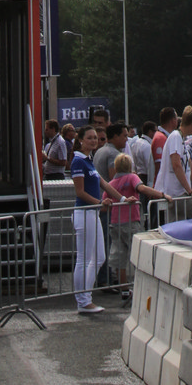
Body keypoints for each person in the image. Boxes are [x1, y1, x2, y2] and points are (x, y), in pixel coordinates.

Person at [70, 124, 123, 313]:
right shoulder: (78, 161)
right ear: (80, 140)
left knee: (99, 257)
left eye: (96, 138)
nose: (94, 141)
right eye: (90, 138)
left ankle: (86, 297)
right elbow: (80, 192)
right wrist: (100, 203)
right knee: (84, 259)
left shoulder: (88, 160)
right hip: (84, 213)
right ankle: (83, 301)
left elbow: (104, 184)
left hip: (92, 213)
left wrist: (123, 199)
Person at [106, 152, 172, 295]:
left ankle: (124, 289)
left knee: (120, 258)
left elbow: (106, 204)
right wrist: (161, 195)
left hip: (115, 223)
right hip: (131, 221)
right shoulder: (132, 177)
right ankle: (140, 287)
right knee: (138, 254)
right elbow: (142, 189)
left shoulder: (111, 183)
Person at [154, 107, 192, 202]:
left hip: (178, 195)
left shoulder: (181, 139)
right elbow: (176, 165)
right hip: (173, 195)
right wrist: (190, 191)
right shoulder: (176, 137)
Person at [151, 108, 178, 178]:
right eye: (176, 118)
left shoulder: (165, 137)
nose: (177, 120)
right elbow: (159, 166)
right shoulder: (160, 138)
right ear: (172, 120)